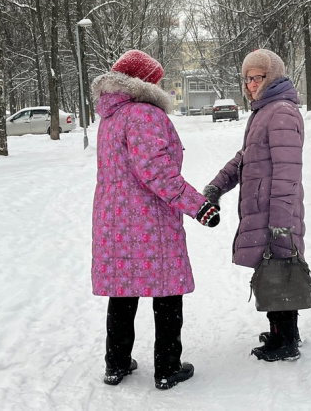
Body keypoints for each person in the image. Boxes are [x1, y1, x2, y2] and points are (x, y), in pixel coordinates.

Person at [90, 49, 220, 390]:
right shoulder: (144, 115)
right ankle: (167, 367)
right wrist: (198, 206)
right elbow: (157, 172)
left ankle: (116, 364)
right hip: (150, 222)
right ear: (145, 82)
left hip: (113, 221)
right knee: (166, 293)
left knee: (123, 291)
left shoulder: (110, 117)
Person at [203, 48, 306, 362]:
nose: (250, 84)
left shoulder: (281, 112)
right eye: (247, 78)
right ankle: (285, 332)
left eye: (256, 77)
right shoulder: (264, 111)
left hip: (276, 209)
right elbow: (245, 158)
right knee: (273, 266)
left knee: (279, 267)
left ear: (271, 76)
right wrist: (217, 185)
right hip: (265, 207)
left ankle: (285, 341)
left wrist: (280, 220)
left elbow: (288, 172)